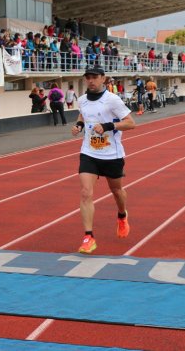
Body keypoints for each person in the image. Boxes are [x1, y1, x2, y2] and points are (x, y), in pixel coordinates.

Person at [71, 65, 136, 254]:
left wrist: (108, 126)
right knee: (85, 192)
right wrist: (78, 125)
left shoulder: (112, 100)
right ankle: (88, 237)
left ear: (103, 78)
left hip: (111, 155)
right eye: (87, 77)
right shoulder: (82, 100)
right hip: (89, 152)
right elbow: (84, 114)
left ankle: (122, 215)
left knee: (116, 191)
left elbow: (131, 123)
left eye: (94, 77)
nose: (90, 80)